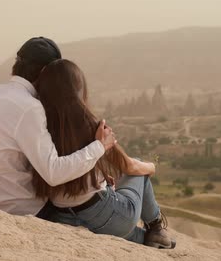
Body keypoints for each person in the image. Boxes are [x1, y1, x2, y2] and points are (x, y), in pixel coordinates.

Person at [31, 59, 176, 249]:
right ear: (78, 88)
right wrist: (151, 167)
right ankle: (156, 226)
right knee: (138, 167)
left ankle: (149, 238)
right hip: (101, 213)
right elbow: (129, 167)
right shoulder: (90, 125)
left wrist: (99, 175)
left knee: (131, 233)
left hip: (62, 216)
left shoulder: (40, 127)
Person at [0, 37, 117, 219]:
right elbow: (53, 172)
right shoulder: (29, 107)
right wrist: (99, 147)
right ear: (45, 72)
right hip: (19, 209)